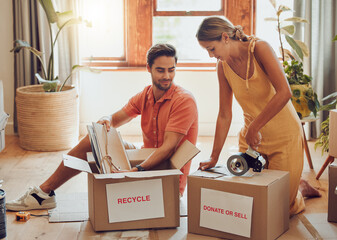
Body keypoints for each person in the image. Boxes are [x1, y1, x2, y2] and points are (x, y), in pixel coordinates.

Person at [7, 43, 198, 211]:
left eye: (171, 70)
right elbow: (115, 118)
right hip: (146, 161)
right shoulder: (146, 95)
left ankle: (45, 194)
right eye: (161, 70)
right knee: (94, 138)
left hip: (166, 176)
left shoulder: (183, 101)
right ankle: (44, 193)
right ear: (148, 68)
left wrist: (136, 170)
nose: (167, 76)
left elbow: (168, 148)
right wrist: (105, 119)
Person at [196, 16, 320, 216]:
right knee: (252, 204)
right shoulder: (222, 67)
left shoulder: (260, 49)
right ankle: (295, 185)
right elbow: (225, 114)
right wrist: (214, 156)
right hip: (253, 142)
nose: (211, 55)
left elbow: (284, 92)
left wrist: (254, 127)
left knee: (280, 210)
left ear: (225, 37)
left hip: (284, 137)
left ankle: (300, 189)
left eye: (211, 49)